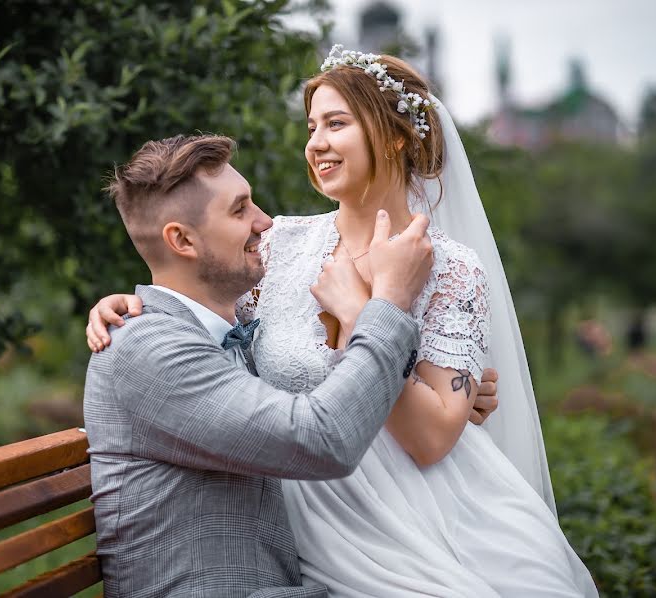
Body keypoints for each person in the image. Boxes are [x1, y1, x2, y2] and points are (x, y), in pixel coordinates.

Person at [87, 47, 598, 596]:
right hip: (314, 510)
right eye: (311, 126)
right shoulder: (278, 246)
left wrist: (364, 316)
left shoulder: (449, 267)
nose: (316, 143)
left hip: (422, 512)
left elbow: (430, 440)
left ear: (396, 136)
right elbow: (206, 316)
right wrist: (130, 303)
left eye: (336, 123)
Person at [84, 133, 440, 597]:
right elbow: (321, 439)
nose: (265, 222)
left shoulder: (217, 331)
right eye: (239, 209)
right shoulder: (146, 349)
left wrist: (441, 388)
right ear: (182, 240)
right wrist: (390, 301)